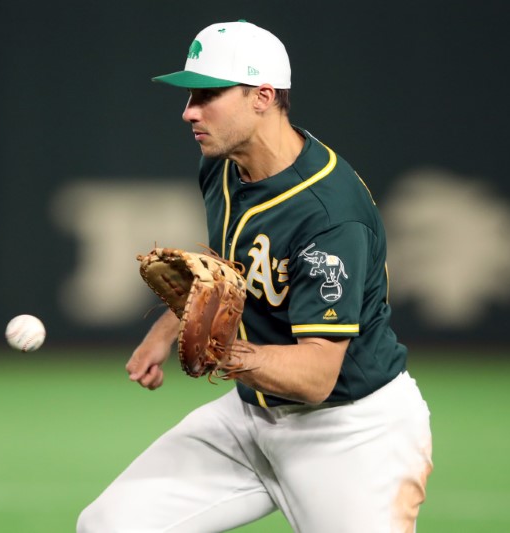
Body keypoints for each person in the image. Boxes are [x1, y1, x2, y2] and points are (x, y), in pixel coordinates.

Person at [77, 20, 433, 532]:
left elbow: (315, 376)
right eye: (188, 94)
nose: (189, 111)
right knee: (110, 525)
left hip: (351, 432)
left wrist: (222, 351)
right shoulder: (222, 165)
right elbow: (228, 272)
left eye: (207, 94)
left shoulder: (330, 215)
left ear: (262, 96)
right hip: (251, 417)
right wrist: (166, 331)